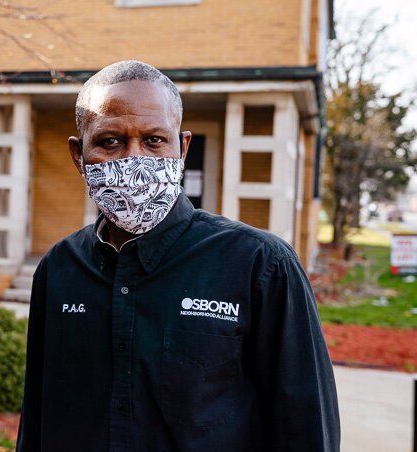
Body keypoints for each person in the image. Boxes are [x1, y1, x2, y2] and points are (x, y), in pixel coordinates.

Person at [17, 60, 339, 451]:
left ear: (182, 147)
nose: (133, 161)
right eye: (110, 141)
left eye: (154, 140)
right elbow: (38, 417)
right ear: (78, 155)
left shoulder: (261, 265)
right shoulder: (59, 268)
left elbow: (306, 431)